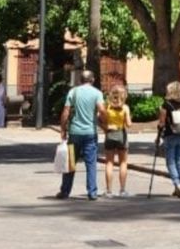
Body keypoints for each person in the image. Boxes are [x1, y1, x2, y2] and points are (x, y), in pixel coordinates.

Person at [56, 70, 105, 201]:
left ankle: (65, 191)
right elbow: (101, 110)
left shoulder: (73, 92)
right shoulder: (97, 93)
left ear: (80, 80)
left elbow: (66, 112)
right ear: (93, 80)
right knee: (91, 164)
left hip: (75, 133)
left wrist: (63, 129)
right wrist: (104, 124)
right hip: (90, 133)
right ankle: (92, 192)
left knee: (71, 163)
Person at [158, 80, 180, 199]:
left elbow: (161, 123)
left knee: (170, 162)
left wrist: (158, 136)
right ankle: (179, 185)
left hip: (170, 134)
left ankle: (177, 184)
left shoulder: (166, 105)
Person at [103, 84, 132, 198]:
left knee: (109, 162)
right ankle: (122, 190)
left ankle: (109, 191)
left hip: (110, 134)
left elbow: (101, 120)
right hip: (121, 134)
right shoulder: (125, 108)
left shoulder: (107, 107)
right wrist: (126, 120)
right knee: (123, 163)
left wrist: (107, 127)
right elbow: (129, 124)